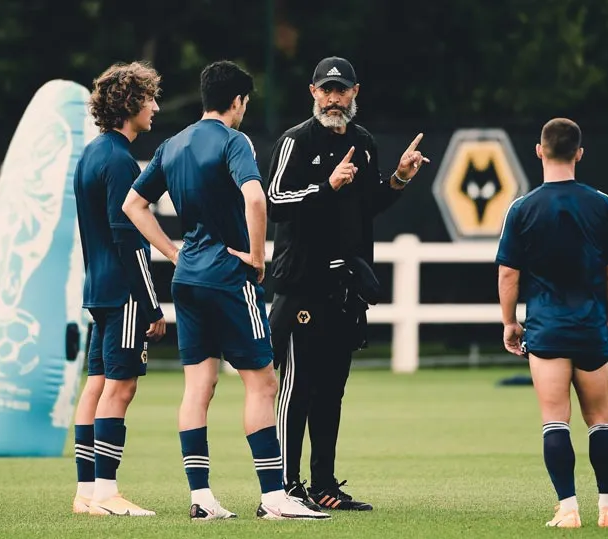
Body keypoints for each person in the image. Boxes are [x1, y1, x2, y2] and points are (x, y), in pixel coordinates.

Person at [122, 60, 329, 521]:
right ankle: (274, 497)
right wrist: (257, 258)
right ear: (237, 102)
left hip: (188, 278)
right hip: (228, 278)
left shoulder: (172, 144)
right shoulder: (235, 141)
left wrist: (175, 252)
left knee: (199, 385)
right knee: (262, 381)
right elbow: (256, 198)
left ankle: (201, 498)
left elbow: (133, 204)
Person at [266, 56, 429, 511]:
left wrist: (398, 178)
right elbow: (275, 200)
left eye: (342, 89)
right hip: (301, 284)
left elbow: (366, 204)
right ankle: (282, 488)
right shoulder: (296, 141)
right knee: (295, 387)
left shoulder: (364, 141)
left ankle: (323, 487)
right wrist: (326, 186)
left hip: (346, 286)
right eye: (326, 89)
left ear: (356, 92)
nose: (334, 98)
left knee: (331, 390)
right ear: (313, 93)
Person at [496, 118, 608, 528]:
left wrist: (509, 323)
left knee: (555, 418)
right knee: (601, 419)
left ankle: (568, 508)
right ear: (579, 153)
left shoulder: (522, 208)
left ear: (539, 151)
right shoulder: (602, 203)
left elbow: (507, 274)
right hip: (590, 327)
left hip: (547, 329)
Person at [71, 61, 166, 516]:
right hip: (124, 292)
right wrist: (151, 305)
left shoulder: (91, 154)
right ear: (130, 103)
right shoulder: (121, 160)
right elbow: (128, 238)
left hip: (97, 290)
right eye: (150, 98)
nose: (155, 107)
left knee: (95, 385)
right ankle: (107, 494)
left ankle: (86, 492)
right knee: (120, 388)